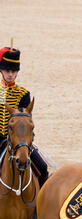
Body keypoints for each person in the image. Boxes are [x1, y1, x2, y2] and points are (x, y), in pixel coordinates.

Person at [0, 46, 48, 186]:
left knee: (43, 168)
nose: (10, 74)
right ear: (1, 70)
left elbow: (24, 120)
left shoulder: (23, 94)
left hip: (16, 139)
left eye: (14, 71)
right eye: (7, 71)